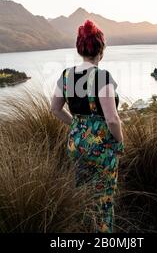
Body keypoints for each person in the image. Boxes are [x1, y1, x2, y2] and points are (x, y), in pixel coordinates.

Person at [50, 20, 124, 233]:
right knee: (104, 199)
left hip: (76, 144)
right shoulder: (102, 77)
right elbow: (112, 119)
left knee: (83, 194)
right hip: (102, 147)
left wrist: (77, 124)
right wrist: (119, 141)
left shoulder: (66, 75)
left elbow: (55, 109)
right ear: (100, 50)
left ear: (80, 49)